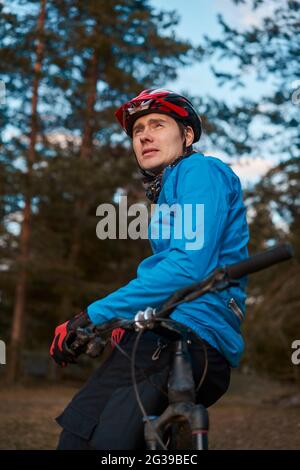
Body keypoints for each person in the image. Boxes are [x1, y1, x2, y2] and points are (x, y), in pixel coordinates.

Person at [50, 89, 249, 450]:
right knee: (92, 432)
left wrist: (92, 315)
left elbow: (188, 266)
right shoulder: (169, 193)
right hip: (172, 335)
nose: (143, 135)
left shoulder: (198, 169)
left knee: (90, 437)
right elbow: (173, 271)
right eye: (138, 129)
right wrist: (127, 320)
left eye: (157, 124)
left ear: (186, 136)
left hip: (184, 339)